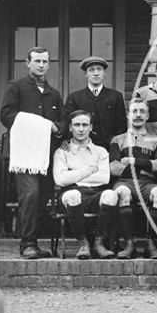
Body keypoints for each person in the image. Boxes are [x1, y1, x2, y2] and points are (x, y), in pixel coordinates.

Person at [0, 46, 68, 259]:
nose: (41, 65)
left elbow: (63, 121)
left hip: (45, 155)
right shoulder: (16, 87)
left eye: (45, 62)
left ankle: (33, 243)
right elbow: (6, 115)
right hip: (24, 154)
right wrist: (41, 123)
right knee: (30, 195)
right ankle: (27, 244)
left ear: (48, 64)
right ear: (28, 63)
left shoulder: (53, 94)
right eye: (37, 61)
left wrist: (57, 127)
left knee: (43, 198)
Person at [52, 110, 116, 260]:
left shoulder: (101, 152)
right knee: (74, 195)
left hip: (94, 194)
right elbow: (60, 180)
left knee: (111, 195)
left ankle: (98, 243)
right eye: (77, 125)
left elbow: (104, 178)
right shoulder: (62, 151)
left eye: (85, 125)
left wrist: (73, 175)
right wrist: (88, 171)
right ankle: (83, 244)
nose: (81, 129)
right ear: (70, 127)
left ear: (91, 127)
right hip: (70, 195)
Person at [109, 99, 157, 259]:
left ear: (147, 115)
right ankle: (129, 244)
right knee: (122, 192)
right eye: (134, 111)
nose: (138, 115)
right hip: (125, 182)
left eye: (142, 111)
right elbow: (114, 168)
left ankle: (151, 244)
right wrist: (148, 166)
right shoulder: (118, 140)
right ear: (128, 115)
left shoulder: (156, 139)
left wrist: (133, 161)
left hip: (147, 183)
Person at [64, 56, 126, 149]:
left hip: (109, 148)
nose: (96, 73)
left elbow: (121, 126)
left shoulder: (115, 96)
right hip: (82, 148)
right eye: (91, 70)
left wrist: (113, 144)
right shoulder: (74, 97)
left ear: (104, 73)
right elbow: (68, 125)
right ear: (86, 74)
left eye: (99, 69)